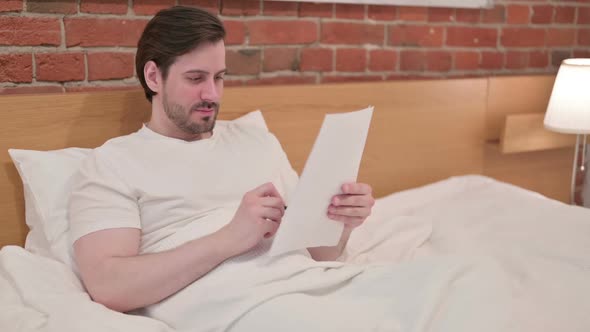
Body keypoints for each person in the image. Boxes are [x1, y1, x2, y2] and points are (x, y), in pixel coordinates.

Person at [68, 4, 375, 321]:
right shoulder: (113, 162)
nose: (212, 94)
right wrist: (229, 239)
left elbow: (319, 253)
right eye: (196, 78)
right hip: (248, 307)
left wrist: (342, 224)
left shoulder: (258, 141)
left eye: (219, 77)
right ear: (153, 76)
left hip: (316, 285)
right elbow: (108, 286)